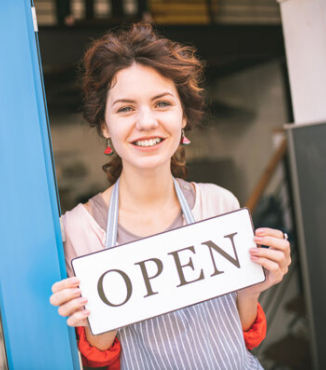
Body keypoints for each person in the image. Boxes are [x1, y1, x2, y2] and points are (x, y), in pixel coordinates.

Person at [49, 23, 291, 370]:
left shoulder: (220, 204)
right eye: (126, 108)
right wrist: (92, 319)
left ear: (183, 118)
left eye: (162, 103)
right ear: (104, 124)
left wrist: (254, 287)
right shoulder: (78, 229)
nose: (146, 122)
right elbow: (100, 361)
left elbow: (240, 337)